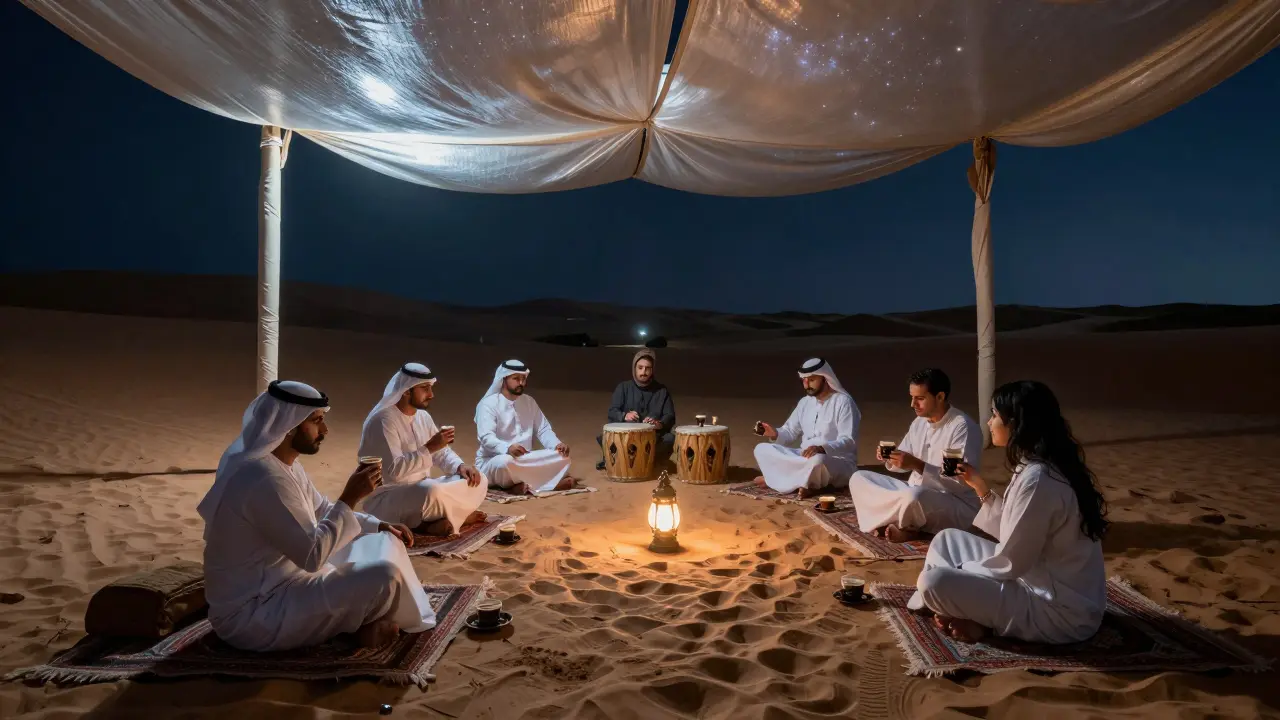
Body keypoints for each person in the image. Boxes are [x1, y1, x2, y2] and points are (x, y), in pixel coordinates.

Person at [198, 380, 436, 652]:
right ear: (289, 426)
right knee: (385, 575)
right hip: (257, 612)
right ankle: (353, 632)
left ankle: (357, 626)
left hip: (289, 579)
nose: (325, 430)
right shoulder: (262, 479)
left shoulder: (284, 466)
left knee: (385, 540)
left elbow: (323, 509)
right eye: (316, 421)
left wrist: (379, 524)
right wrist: (350, 496)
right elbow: (312, 557)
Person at [909, 380, 1109, 645]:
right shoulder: (1034, 465)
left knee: (933, 582)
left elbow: (1011, 561)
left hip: (1056, 610)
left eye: (994, 415)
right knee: (947, 539)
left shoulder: (1039, 478)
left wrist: (963, 570)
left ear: (1014, 423)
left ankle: (975, 618)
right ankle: (960, 607)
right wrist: (978, 485)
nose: (990, 422)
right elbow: (1015, 529)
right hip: (1035, 577)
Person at [847, 369, 983, 543]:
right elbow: (904, 459)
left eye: (920, 398)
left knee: (913, 497)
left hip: (954, 502)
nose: (913, 404)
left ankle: (906, 526)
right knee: (859, 478)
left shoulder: (962, 427)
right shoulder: (919, 422)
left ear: (940, 397)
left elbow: (961, 482)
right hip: (914, 490)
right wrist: (891, 459)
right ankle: (902, 521)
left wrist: (919, 466)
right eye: (912, 397)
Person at [357, 363, 488, 535]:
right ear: (406, 390)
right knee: (431, 491)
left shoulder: (423, 417)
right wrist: (430, 447)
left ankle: (442, 520)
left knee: (479, 479)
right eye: (425, 388)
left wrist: (460, 466)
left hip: (422, 490)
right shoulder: (383, 421)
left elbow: (441, 453)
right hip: (389, 496)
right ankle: (453, 518)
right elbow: (393, 471)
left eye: (431, 388)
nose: (431, 395)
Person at [752, 358, 860, 498]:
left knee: (818, 461)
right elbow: (789, 432)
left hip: (836, 461)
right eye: (804, 380)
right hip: (804, 457)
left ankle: (779, 480)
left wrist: (822, 448)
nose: (806, 384)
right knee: (761, 449)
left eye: (811, 380)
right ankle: (804, 481)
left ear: (825, 378)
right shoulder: (804, 403)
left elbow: (848, 441)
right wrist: (773, 433)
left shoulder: (843, 402)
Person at [475, 360, 576, 494]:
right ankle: (545, 485)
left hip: (525, 458)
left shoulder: (529, 401)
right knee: (505, 463)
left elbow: (543, 429)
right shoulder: (488, 404)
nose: (521, 383)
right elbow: (486, 438)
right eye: (516, 379)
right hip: (494, 460)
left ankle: (523, 486)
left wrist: (556, 444)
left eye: (523, 379)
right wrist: (507, 448)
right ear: (504, 379)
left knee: (561, 457)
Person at [595, 350, 676, 471]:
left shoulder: (662, 391)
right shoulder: (623, 387)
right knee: (605, 437)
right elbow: (612, 411)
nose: (644, 372)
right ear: (634, 368)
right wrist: (624, 416)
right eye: (640, 367)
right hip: (626, 439)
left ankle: (649, 463)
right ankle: (619, 461)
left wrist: (659, 424)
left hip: (652, 439)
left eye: (648, 368)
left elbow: (670, 416)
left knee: (670, 439)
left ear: (652, 370)